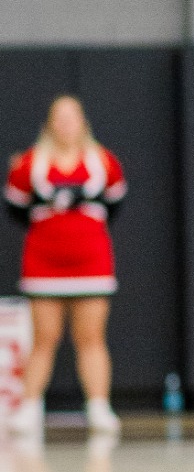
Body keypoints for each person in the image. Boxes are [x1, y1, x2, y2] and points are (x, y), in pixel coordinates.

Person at [4, 95, 127, 443]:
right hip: (44, 263)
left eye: (72, 117)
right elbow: (15, 208)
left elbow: (115, 203)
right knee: (44, 338)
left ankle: (99, 406)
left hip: (91, 262)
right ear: (49, 124)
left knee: (91, 337)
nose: (66, 124)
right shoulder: (30, 164)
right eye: (59, 117)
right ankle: (29, 407)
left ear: (83, 122)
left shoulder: (103, 162)